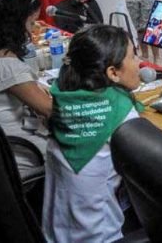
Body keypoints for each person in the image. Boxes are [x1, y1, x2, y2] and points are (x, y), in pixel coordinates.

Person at [42, 25, 142, 242]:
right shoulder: (122, 117)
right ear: (113, 73)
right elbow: (153, 172)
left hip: (54, 234)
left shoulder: (65, 97)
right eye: (134, 56)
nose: (139, 63)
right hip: (100, 236)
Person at [0, 0, 53, 174]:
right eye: (30, 23)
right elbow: (51, 111)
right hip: (18, 154)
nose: (32, 30)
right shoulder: (7, 65)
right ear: (15, 24)